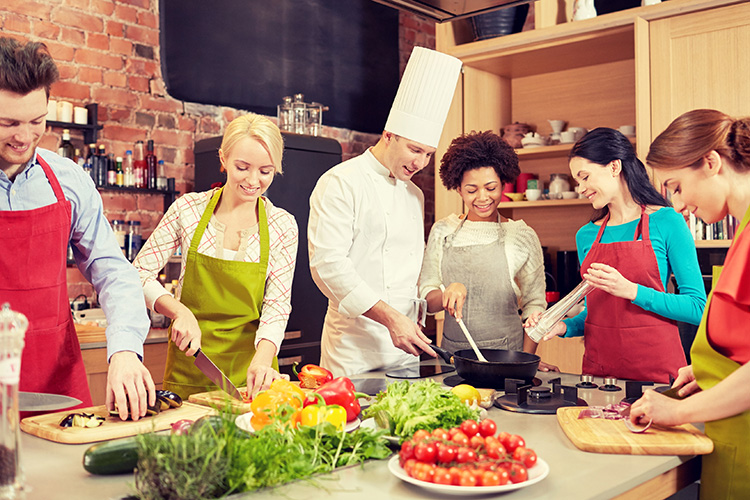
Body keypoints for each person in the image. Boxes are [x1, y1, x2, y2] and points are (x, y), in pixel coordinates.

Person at [0, 37, 155, 420]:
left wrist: (124, 350)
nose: (24, 136)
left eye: (36, 121)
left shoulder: (68, 180)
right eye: (8, 123)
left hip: (56, 382)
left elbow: (113, 271)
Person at [308, 47, 462, 377]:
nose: (421, 163)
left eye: (429, 154)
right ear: (388, 135)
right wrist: (392, 319)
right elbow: (328, 267)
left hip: (405, 351)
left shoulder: (415, 195)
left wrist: (433, 300)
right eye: (415, 149)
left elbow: (410, 275)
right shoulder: (340, 182)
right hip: (352, 353)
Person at [630, 109, 750, 499]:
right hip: (729, 437)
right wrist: (713, 372)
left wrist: (676, 413)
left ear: (712, 163)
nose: (677, 205)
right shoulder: (743, 232)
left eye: (676, 186)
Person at [134, 113, 297, 399]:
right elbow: (138, 273)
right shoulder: (188, 210)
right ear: (223, 159)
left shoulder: (282, 225)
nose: (252, 180)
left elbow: (278, 305)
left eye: (265, 171)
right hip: (190, 369)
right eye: (242, 167)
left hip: (252, 376)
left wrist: (263, 359)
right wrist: (178, 311)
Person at [532, 127, 706, 383]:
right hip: (599, 373)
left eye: (584, 177)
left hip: (657, 373)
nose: (581, 188)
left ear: (614, 167)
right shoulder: (586, 235)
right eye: (577, 181)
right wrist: (563, 326)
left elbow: (697, 307)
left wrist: (631, 290)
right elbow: (596, 313)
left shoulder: (668, 221)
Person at [419, 130, 557, 370]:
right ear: (459, 190)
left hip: (507, 357)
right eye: (471, 190)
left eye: (491, 187)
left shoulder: (521, 235)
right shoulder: (443, 231)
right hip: (454, 358)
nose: (483, 198)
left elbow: (535, 306)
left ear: (504, 184)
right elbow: (427, 301)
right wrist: (446, 294)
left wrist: (525, 361)